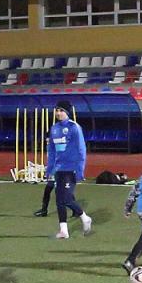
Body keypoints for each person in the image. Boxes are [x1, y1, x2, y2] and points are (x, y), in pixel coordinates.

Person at [46, 101, 90, 239]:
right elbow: (51, 151)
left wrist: (80, 170)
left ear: (67, 112)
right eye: (56, 110)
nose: (58, 113)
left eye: (61, 110)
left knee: (66, 198)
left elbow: (82, 150)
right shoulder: (54, 128)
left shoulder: (74, 127)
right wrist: (49, 169)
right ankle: (64, 231)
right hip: (58, 169)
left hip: (71, 168)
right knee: (59, 200)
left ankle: (84, 217)